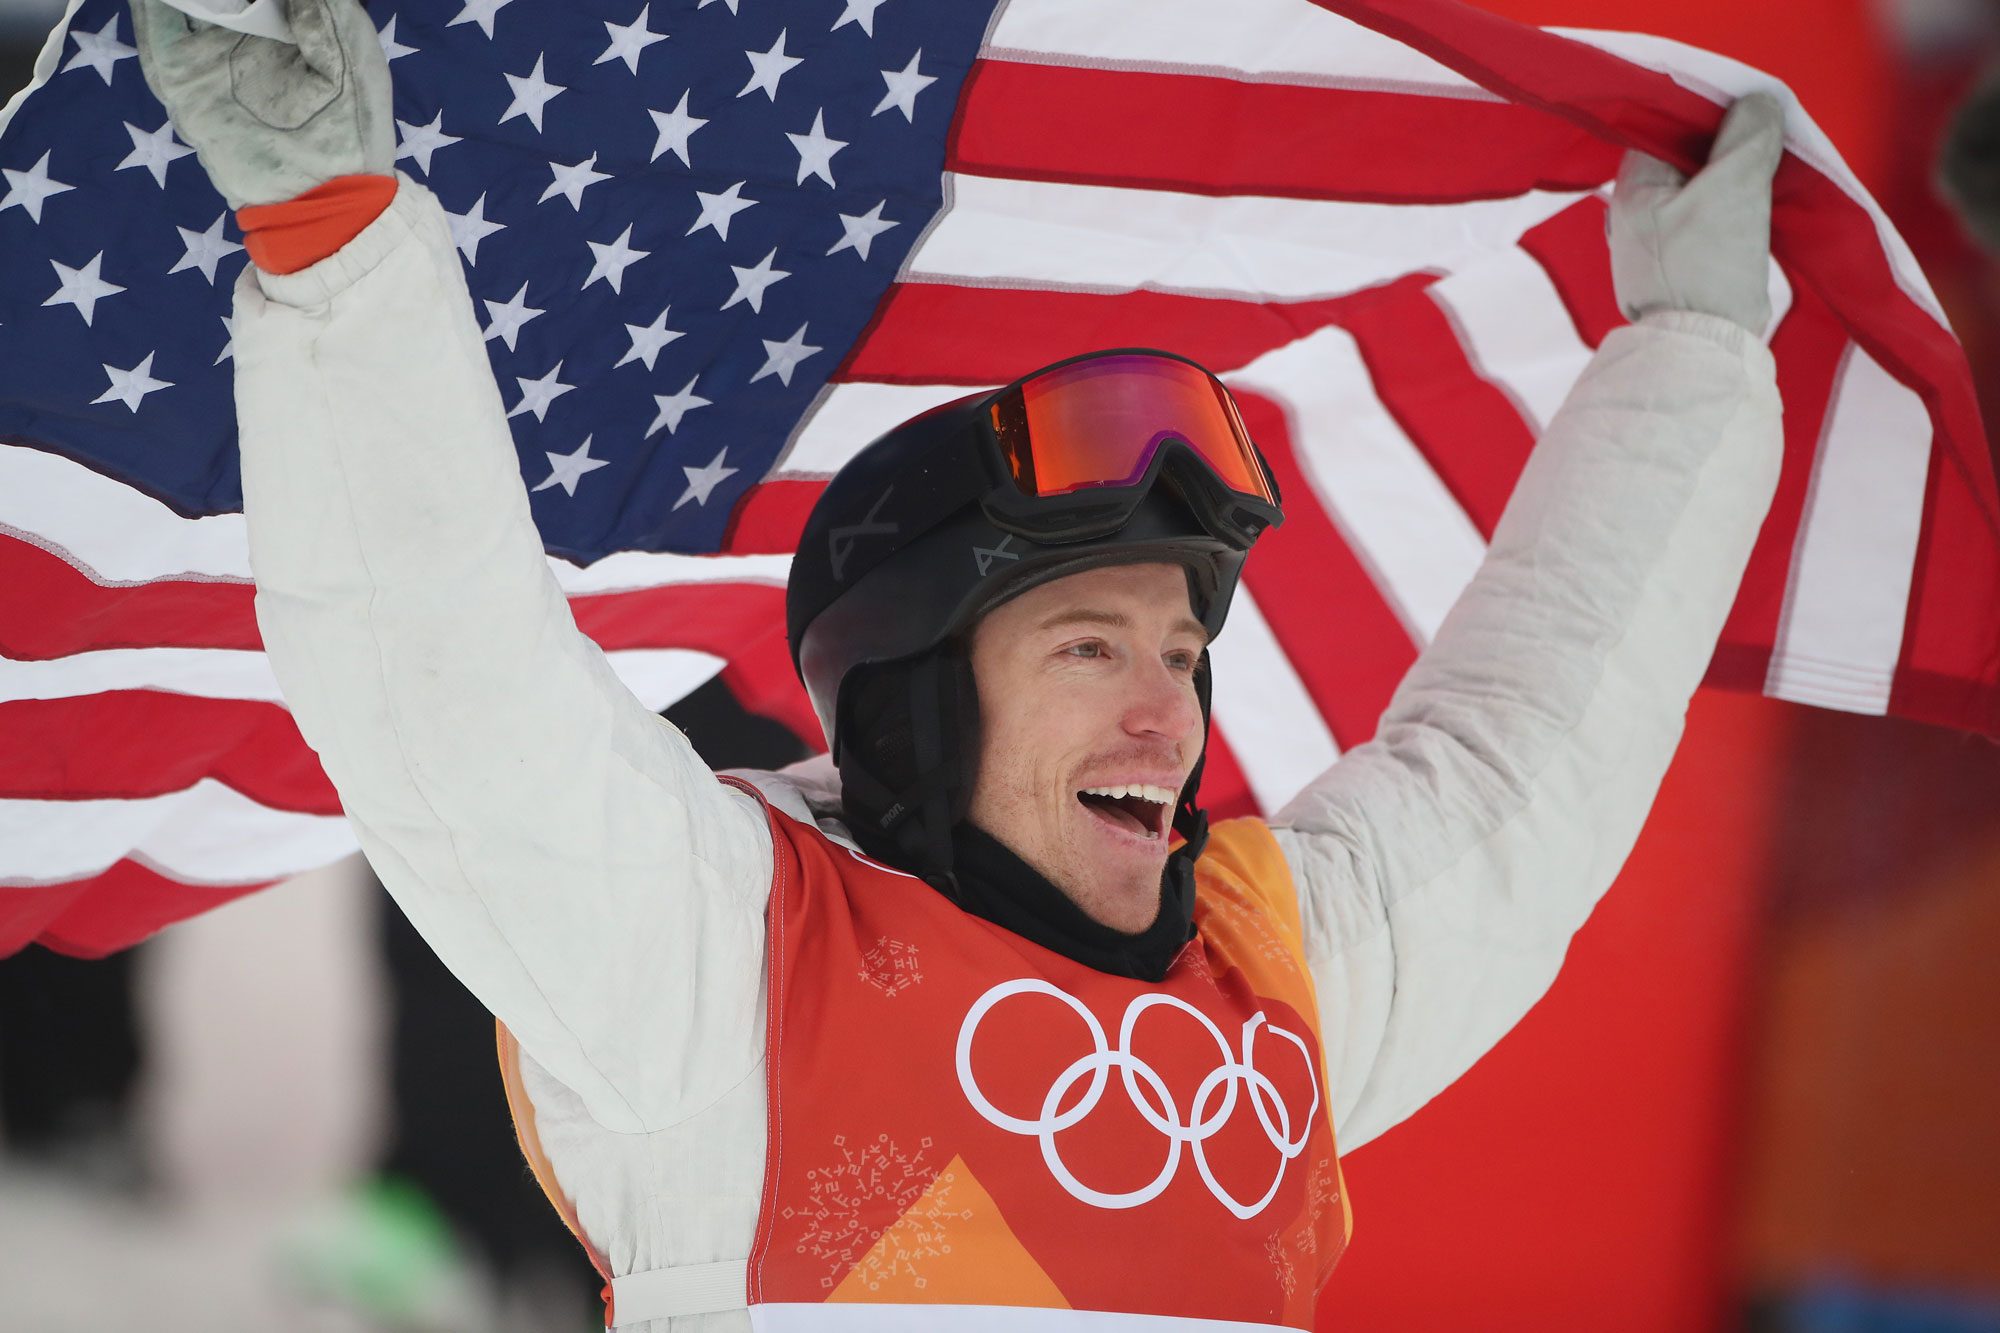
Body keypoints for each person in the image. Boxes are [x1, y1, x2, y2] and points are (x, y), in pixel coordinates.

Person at [130, 0, 1785, 1326]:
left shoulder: (1271, 980)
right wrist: (340, 244)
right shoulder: (727, 970)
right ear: (921, 699)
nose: (1170, 708)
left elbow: (1530, 761)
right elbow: (448, 678)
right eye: (1090, 642)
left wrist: (1693, 360)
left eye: (1185, 647)